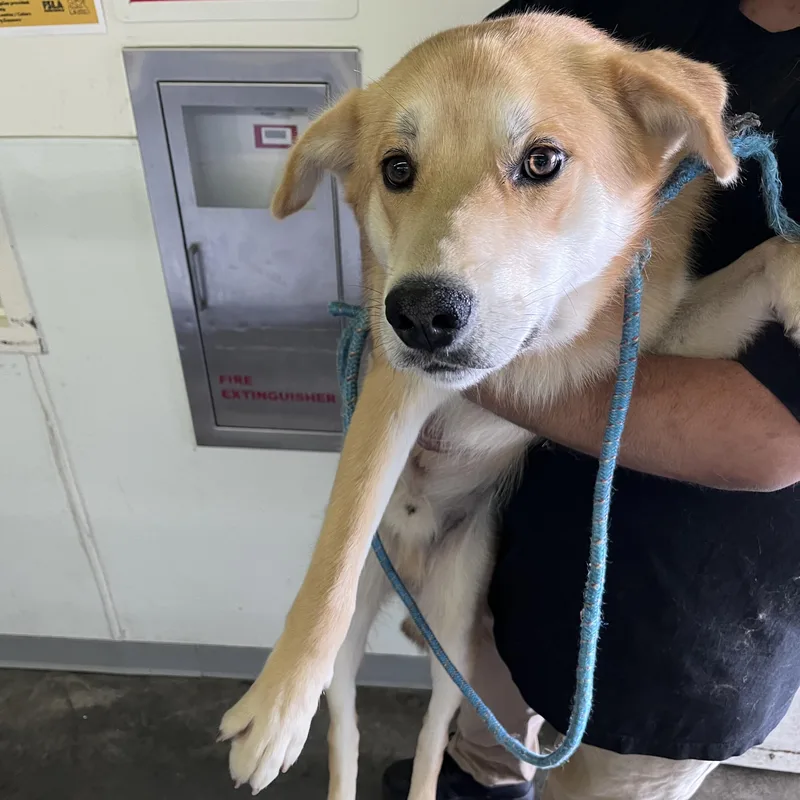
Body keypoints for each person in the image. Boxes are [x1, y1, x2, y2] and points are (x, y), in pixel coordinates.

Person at [382, 1, 800, 799]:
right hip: (513, 535)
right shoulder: (594, 8)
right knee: (479, 736)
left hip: (677, 615)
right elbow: (416, 140)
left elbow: (769, 434)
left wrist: (460, 359)